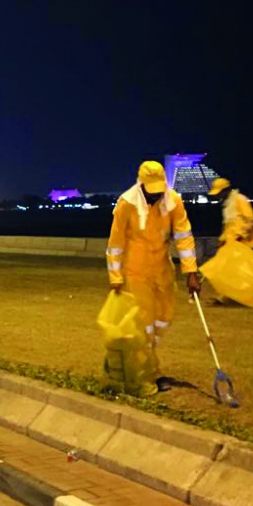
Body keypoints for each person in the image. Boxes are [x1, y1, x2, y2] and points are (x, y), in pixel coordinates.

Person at [106, 160, 200, 395]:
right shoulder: (126, 203)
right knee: (144, 323)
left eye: (159, 191)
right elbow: (116, 243)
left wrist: (191, 271)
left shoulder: (173, 200)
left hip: (163, 269)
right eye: (151, 191)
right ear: (142, 184)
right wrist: (115, 276)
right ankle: (147, 373)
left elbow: (184, 235)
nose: (155, 197)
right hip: (136, 270)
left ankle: (135, 361)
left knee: (164, 317)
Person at [208, 176, 253, 305]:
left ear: (226, 190)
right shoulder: (228, 205)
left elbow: (250, 219)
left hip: (244, 243)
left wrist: (240, 235)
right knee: (227, 270)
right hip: (231, 243)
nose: (217, 196)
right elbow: (228, 226)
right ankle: (225, 295)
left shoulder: (240, 200)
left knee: (248, 271)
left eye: (219, 193)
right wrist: (222, 239)